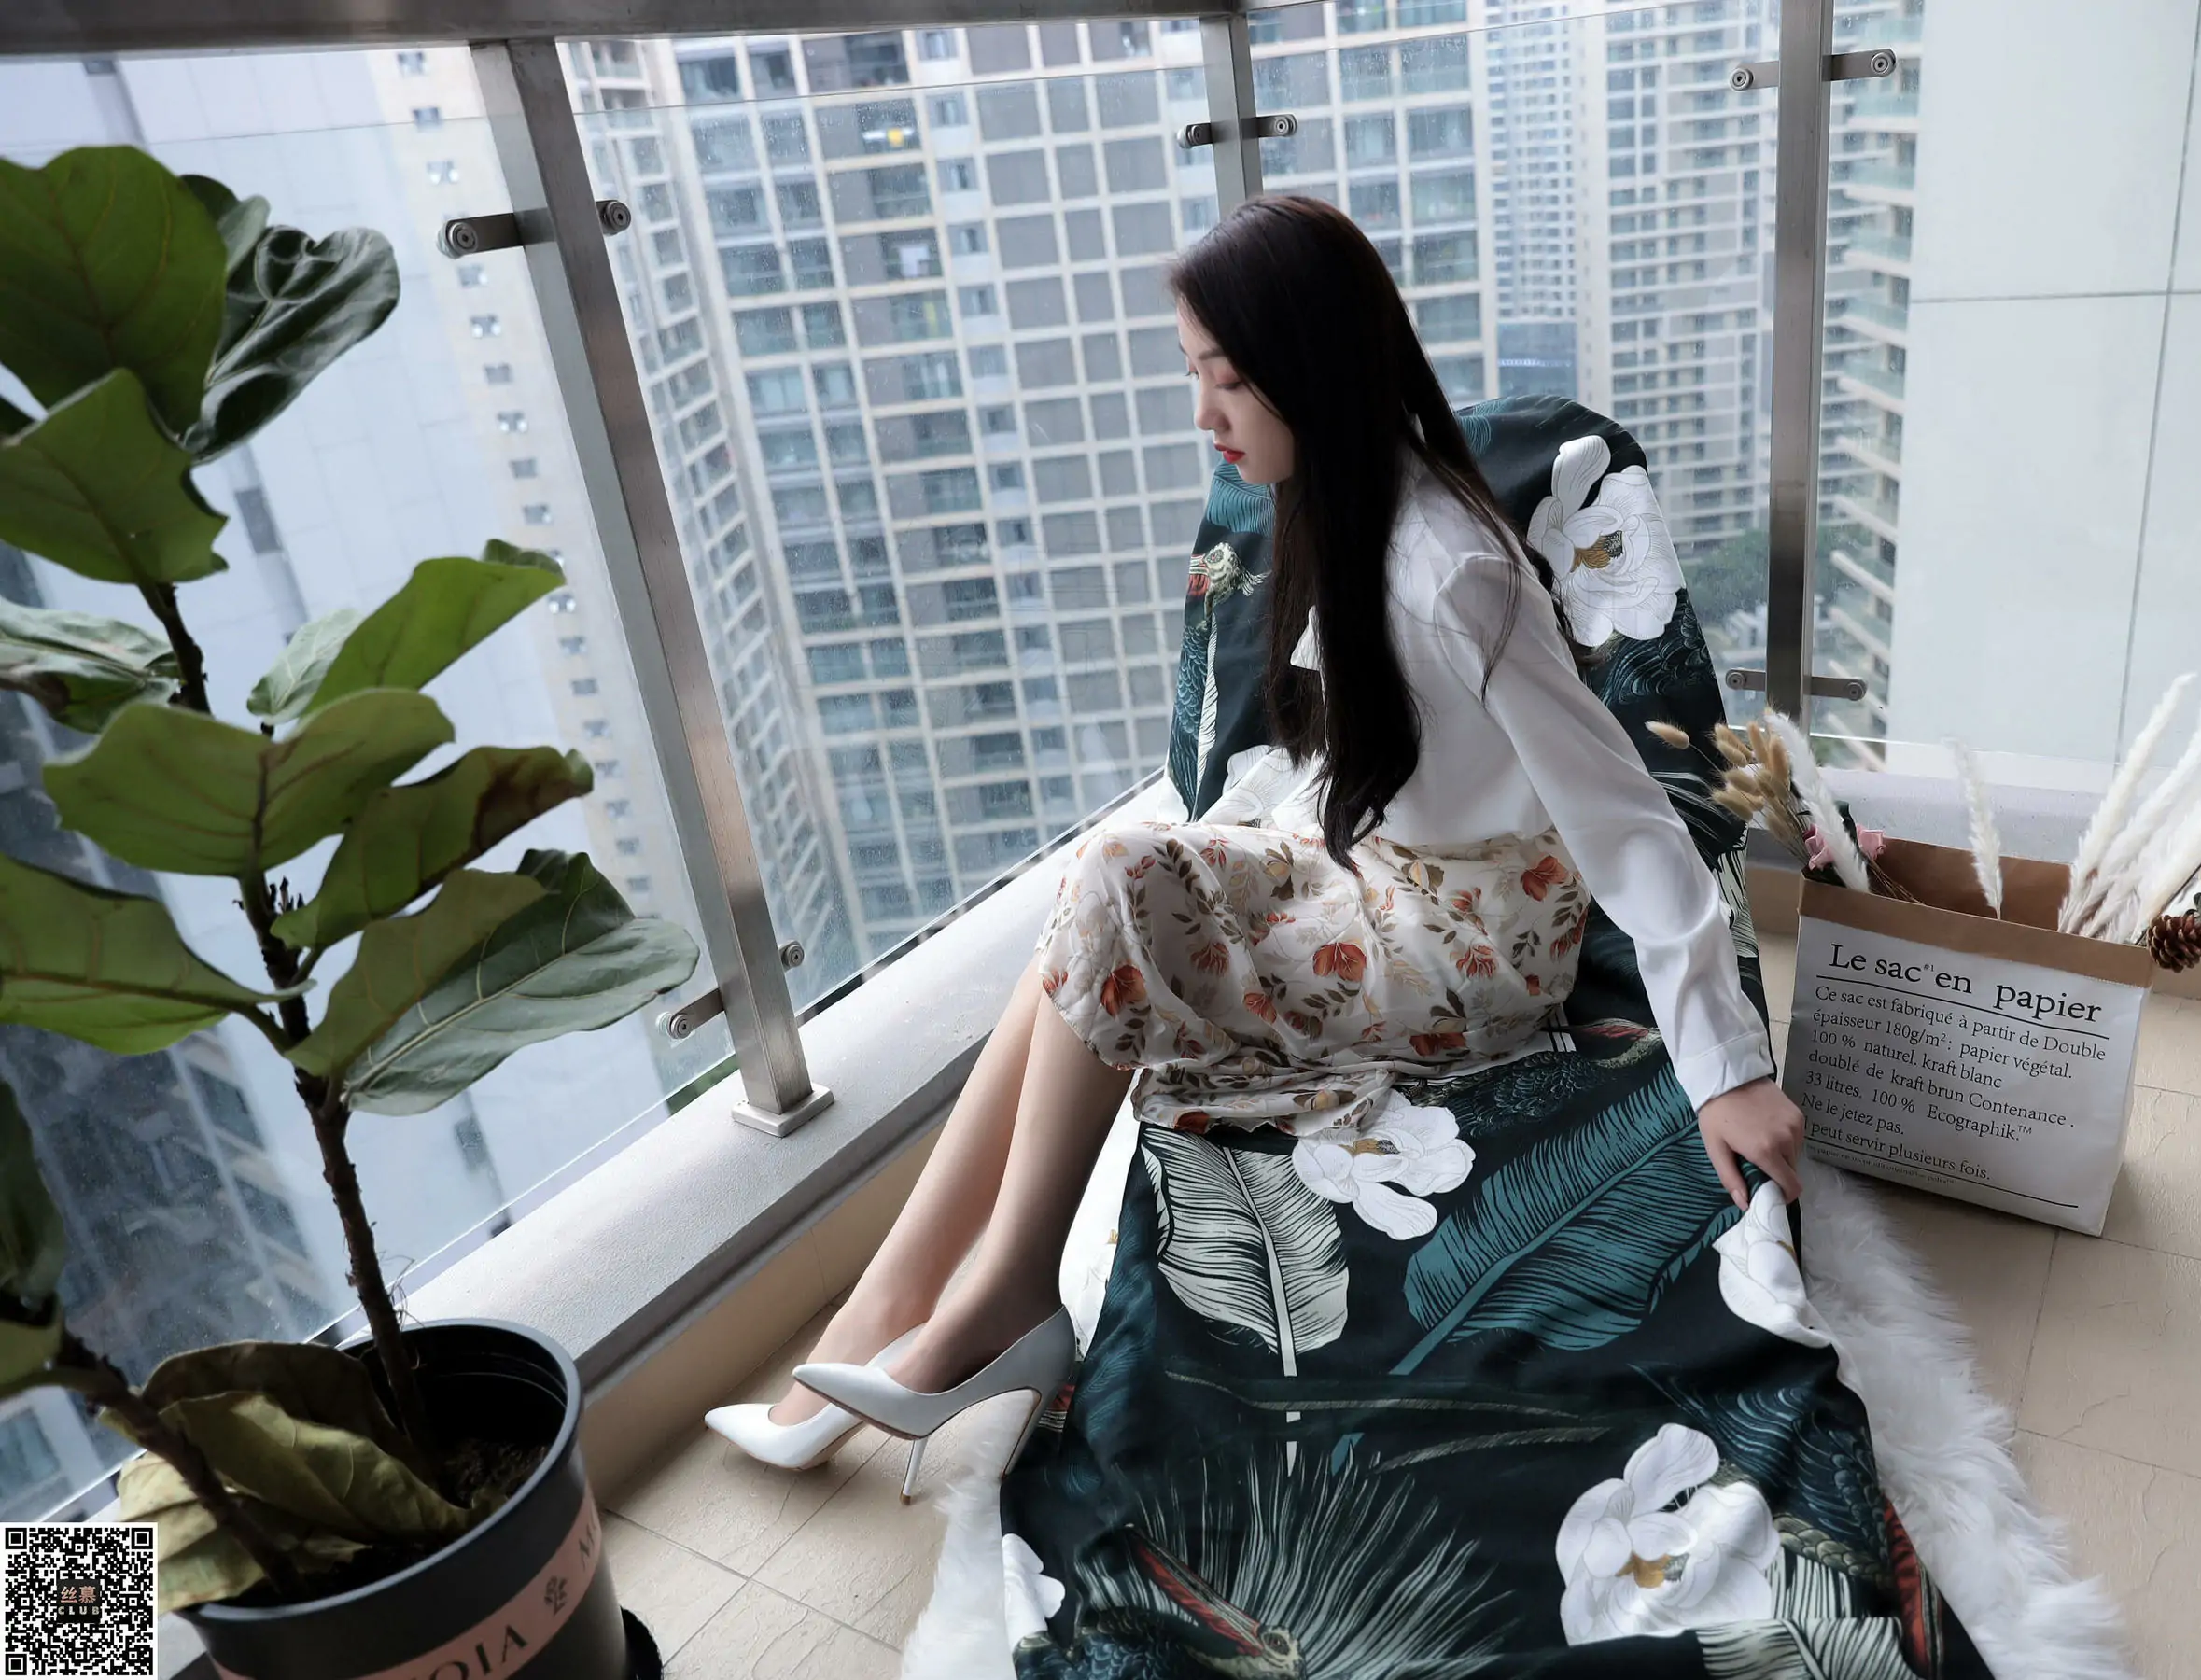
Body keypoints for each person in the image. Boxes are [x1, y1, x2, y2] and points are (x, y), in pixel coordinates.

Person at [704, 195, 1804, 1487]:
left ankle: (987, 1300)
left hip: (1476, 949)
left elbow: (1622, 812)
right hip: (1386, 882)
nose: (1205, 414)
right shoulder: (1349, 503)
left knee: (1115, 886)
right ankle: (899, 1311)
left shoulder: (1452, 567)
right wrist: (1247, 858)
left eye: (1226, 379)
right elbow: (1382, 762)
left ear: (1312, 368)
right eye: (1196, 376)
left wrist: (1726, 1066)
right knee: (1097, 901)